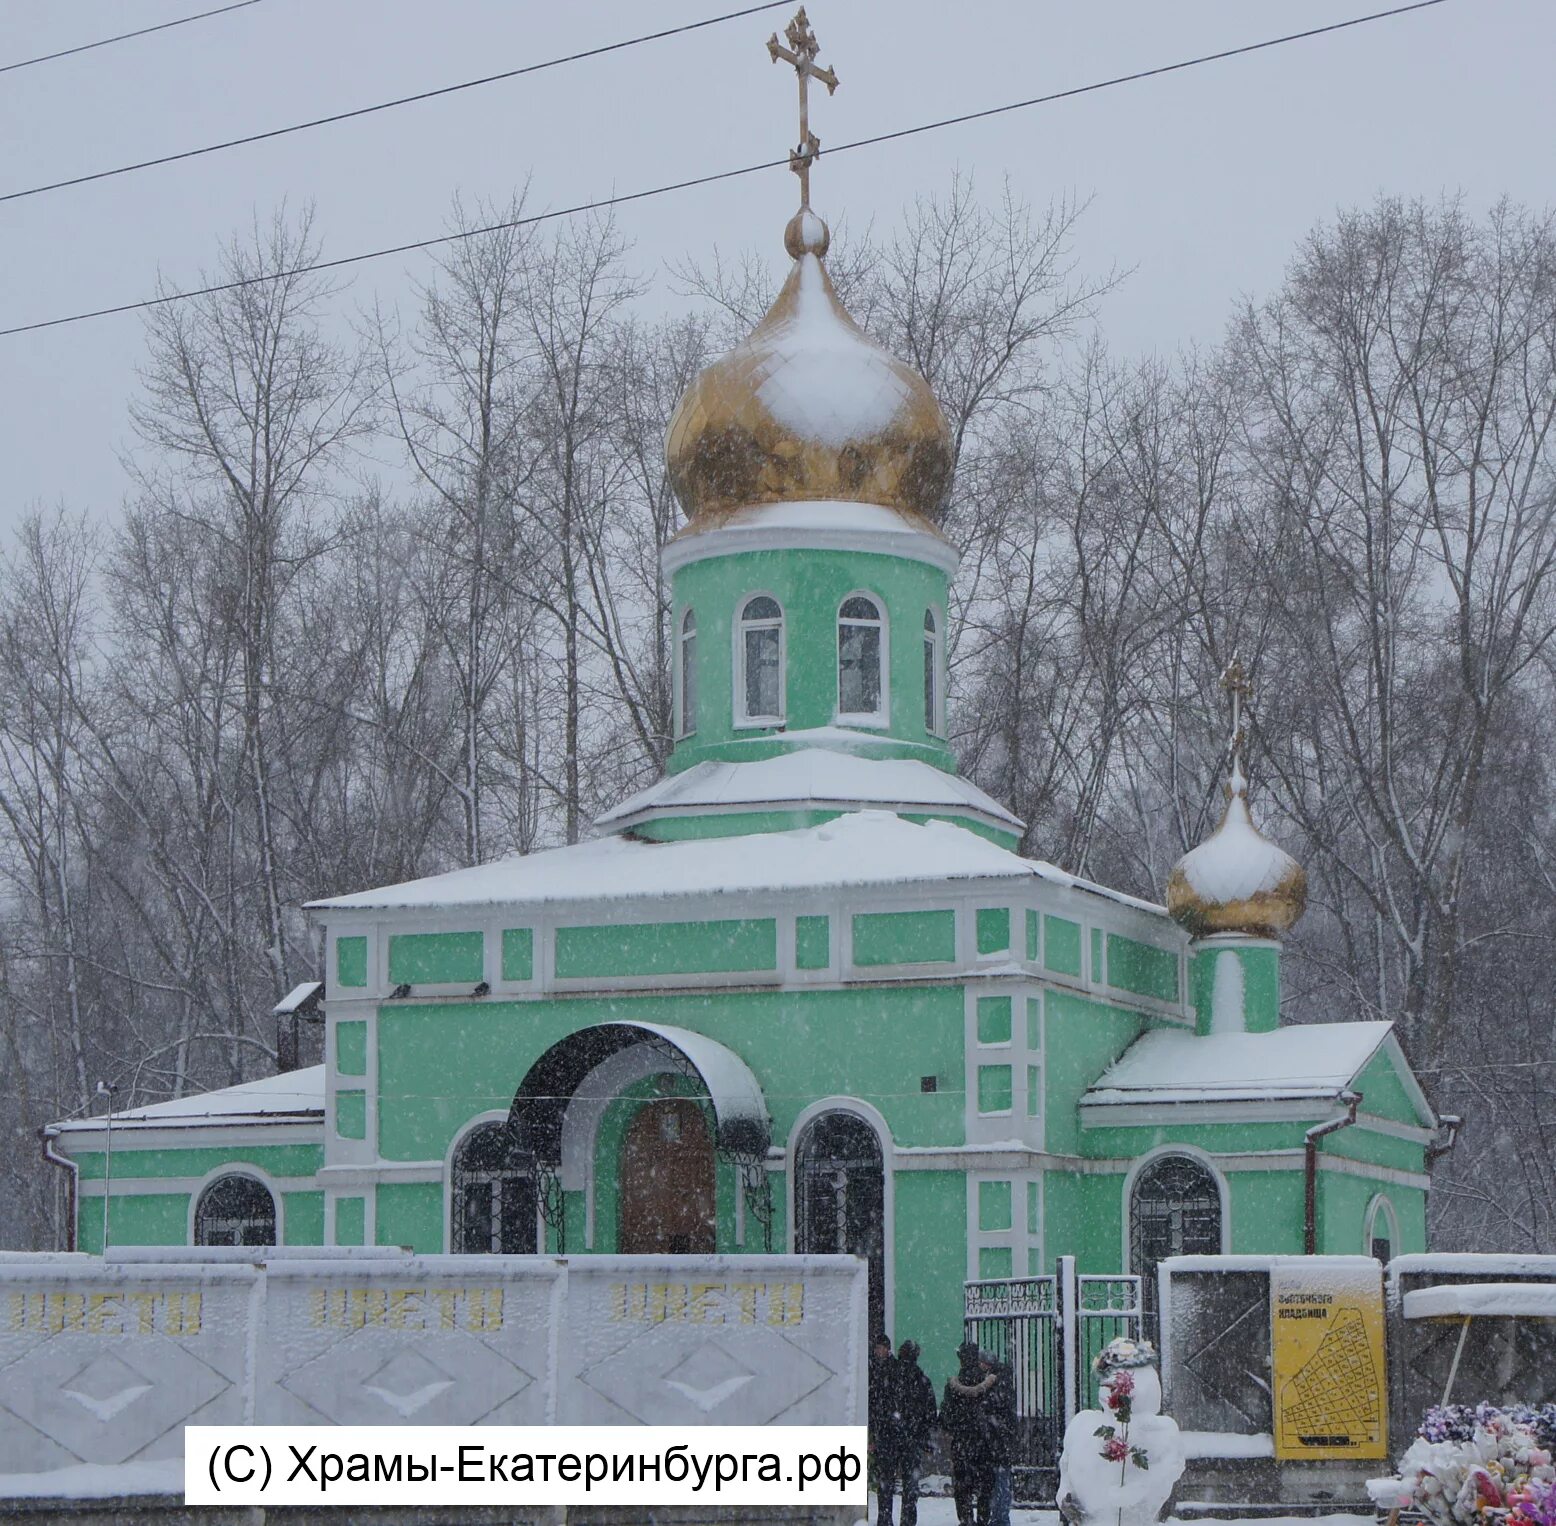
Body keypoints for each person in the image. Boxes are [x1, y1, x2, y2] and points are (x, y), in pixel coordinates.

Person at [877, 1339, 937, 1526]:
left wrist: (880, 1431)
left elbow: (878, 1406)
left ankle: (885, 1519)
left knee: (886, 1482)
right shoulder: (922, 1379)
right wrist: (924, 1437)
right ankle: (908, 1520)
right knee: (910, 1485)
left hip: (889, 1437)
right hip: (912, 1439)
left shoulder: (888, 1376)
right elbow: (930, 1413)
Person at [941, 1340, 997, 1525]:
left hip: (962, 1443)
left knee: (963, 1487)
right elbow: (997, 1411)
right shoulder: (989, 1383)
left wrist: (957, 1427)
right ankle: (982, 1520)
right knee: (985, 1487)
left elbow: (945, 1418)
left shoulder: (953, 1386)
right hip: (984, 1443)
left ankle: (966, 1520)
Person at [979, 1351, 1017, 1526]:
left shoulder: (997, 1382)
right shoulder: (1003, 1380)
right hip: (1001, 1439)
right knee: (1001, 1479)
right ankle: (999, 1517)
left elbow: (998, 1405)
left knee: (1000, 1480)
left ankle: (1000, 1519)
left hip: (998, 1439)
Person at [868, 1332, 899, 1506]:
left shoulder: (892, 1369)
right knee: (882, 1476)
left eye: (881, 1348)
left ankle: (885, 1515)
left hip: (887, 1428)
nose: (878, 1351)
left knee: (886, 1476)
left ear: (887, 1349)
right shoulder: (872, 1368)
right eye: (877, 1348)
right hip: (879, 1425)